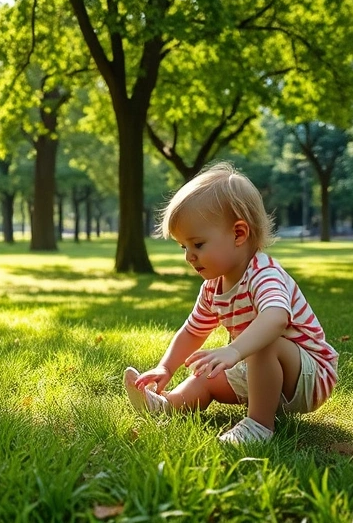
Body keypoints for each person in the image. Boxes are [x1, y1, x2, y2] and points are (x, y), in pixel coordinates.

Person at [124, 162, 338, 444]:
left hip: (309, 376)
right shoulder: (213, 287)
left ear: (239, 234)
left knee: (263, 342)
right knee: (206, 375)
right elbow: (193, 331)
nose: (189, 256)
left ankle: (259, 426)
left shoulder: (264, 274)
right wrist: (166, 367)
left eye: (197, 244)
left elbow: (276, 318)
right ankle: (167, 405)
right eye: (183, 247)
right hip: (259, 371)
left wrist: (233, 350)